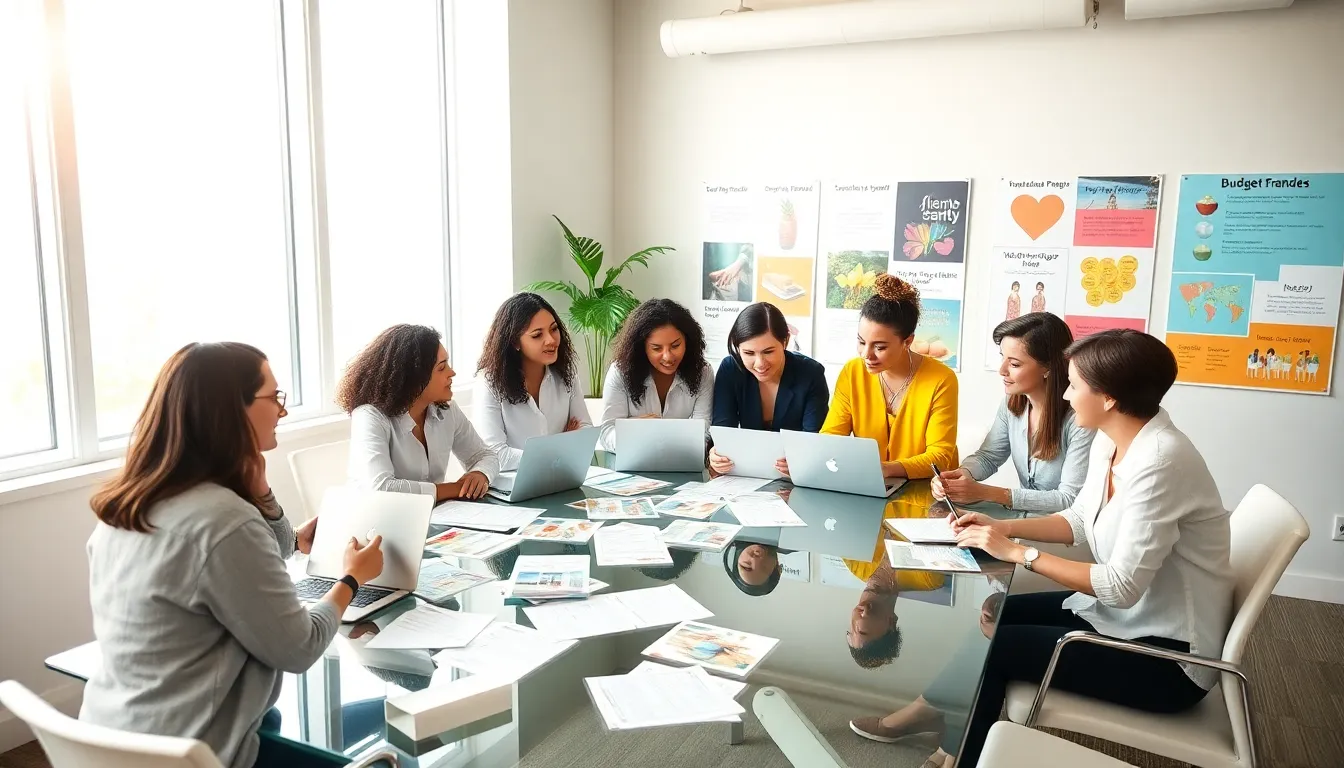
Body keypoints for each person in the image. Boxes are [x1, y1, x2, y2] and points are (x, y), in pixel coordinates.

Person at [932, 329, 1231, 767]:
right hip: (1126, 619)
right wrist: (1003, 529)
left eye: (1075, 385)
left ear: (1108, 397)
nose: (1067, 396)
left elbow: (1120, 588)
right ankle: (952, 739)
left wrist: (1018, 553)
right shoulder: (1113, 440)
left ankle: (958, 756)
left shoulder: (1162, 462)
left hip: (1167, 659)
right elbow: (1077, 521)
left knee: (995, 648)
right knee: (999, 613)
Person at [81, 343, 385, 768]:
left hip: (109, 741)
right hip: (198, 753)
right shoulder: (225, 522)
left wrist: (262, 496)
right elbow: (299, 648)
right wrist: (351, 580)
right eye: (273, 397)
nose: (283, 411)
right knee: (400, 754)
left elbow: (261, 551)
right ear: (232, 410)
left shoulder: (126, 507)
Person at [932, 312, 1094, 514]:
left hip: (1062, 529)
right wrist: (961, 475)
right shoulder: (1012, 403)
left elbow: (1068, 499)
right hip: (1024, 519)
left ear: (1048, 367)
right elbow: (988, 457)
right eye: (1002, 358)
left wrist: (987, 492)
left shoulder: (1081, 419)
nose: (1002, 370)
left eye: (1015, 364)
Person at [819, 273, 958, 480]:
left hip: (926, 489)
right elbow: (832, 436)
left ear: (908, 341)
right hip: (870, 484)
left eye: (880, 347)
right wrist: (811, 457)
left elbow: (940, 457)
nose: (866, 354)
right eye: (861, 341)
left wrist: (886, 469)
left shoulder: (941, 379)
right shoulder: (852, 372)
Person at [340, 324, 499, 500]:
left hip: (430, 518)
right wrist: (456, 488)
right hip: (374, 522)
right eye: (441, 367)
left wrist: (480, 474)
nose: (451, 373)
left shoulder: (446, 410)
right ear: (413, 377)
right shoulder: (369, 416)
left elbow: (485, 455)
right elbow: (382, 489)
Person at [708, 302, 829, 475]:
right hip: (745, 476)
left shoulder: (811, 373)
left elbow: (813, 439)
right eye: (749, 353)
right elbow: (723, 432)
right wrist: (716, 455)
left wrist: (801, 460)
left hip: (796, 478)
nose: (760, 364)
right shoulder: (730, 369)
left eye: (768, 352)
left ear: (785, 341)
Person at [474, 292, 590, 471]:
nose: (551, 340)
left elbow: (585, 432)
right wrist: (559, 449)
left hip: (561, 478)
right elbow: (495, 454)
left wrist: (551, 452)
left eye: (554, 329)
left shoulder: (566, 373)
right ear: (515, 342)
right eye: (537, 335)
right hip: (511, 487)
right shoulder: (489, 382)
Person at [598, 298, 713, 452]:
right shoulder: (620, 372)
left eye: (675, 345)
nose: (668, 356)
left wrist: (637, 429)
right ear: (641, 348)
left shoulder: (703, 372)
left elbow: (702, 433)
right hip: (633, 463)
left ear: (688, 341)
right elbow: (606, 434)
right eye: (657, 348)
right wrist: (637, 429)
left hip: (682, 461)